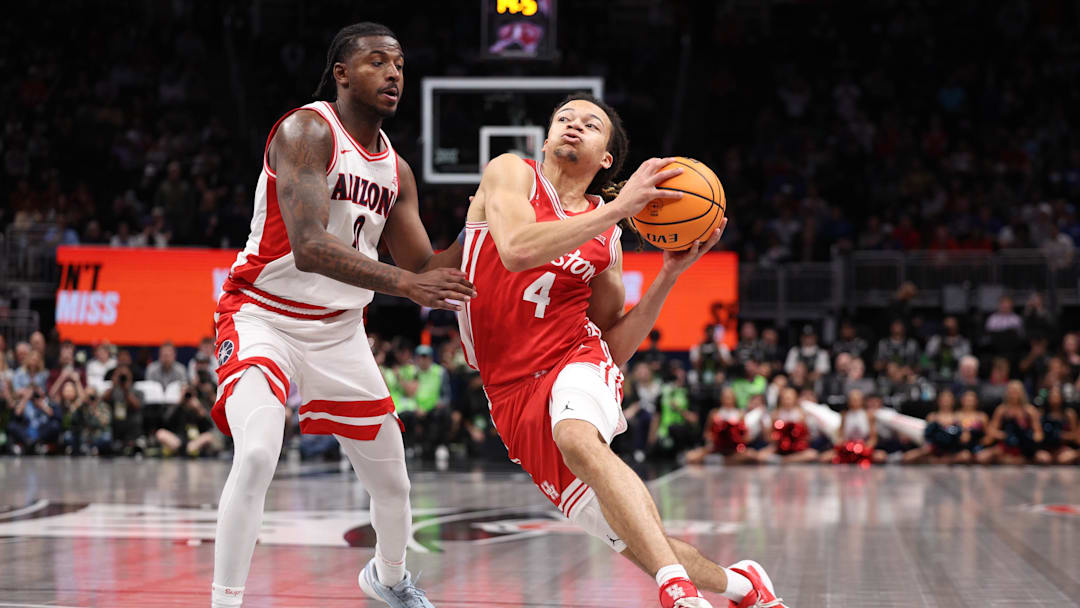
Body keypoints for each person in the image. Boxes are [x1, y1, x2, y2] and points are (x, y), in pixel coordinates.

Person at [457, 92, 782, 608]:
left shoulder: (606, 237)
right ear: (545, 136)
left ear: (607, 159)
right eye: (564, 117)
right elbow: (516, 249)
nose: (573, 125)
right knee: (640, 542)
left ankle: (676, 592)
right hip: (509, 394)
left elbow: (613, 343)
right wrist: (620, 209)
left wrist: (669, 275)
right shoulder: (511, 173)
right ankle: (743, 584)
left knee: (577, 436)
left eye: (590, 124)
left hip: (573, 358)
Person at [208, 23, 475, 608]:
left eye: (400, 64)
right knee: (256, 453)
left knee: (394, 483)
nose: (394, 74)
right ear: (343, 73)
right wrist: (406, 283)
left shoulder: (396, 171)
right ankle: (224, 601)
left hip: (339, 332)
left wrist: (483, 225)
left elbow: (424, 264)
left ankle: (389, 578)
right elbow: (309, 246)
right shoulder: (306, 130)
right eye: (378, 62)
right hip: (263, 315)